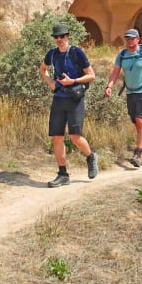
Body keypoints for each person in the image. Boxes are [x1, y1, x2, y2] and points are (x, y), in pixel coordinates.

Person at [40, 22, 98, 187]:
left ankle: (90, 156)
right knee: (57, 137)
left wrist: (73, 81)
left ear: (68, 36)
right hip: (58, 98)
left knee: (75, 137)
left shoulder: (77, 52)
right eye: (56, 37)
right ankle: (63, 174)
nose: (59, 40)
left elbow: (91, 76)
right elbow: (43, 69)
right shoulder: (51, 54)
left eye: (62, 36)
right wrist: (50, 82)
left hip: (75, 99)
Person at [105, 28, 142, 167]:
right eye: (127, 38)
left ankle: (138, 153)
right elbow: (115, 72)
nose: (129, 41)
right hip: (130, 92)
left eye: (132, 38)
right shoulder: (122, 55)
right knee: (138, 123)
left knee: (140, 120)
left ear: (138, 39)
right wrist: (109, 86)